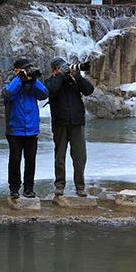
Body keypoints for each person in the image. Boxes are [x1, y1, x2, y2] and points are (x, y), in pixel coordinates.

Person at [45, 57, 95, 197]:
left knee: (79, 157)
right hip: (60, 123)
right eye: (61, 68)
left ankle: (80, 186)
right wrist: (60, 76)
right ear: (54, 69)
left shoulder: (74, 80)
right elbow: (50, 91)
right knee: (59, 156)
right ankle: (59, 185)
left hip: (77, 122)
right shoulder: (51, 81)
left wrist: (77, 76)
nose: (65, 70)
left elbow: (89, 90)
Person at [2, 58, 48, 199]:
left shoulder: (32, 84)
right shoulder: (10, 82)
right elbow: (8, 94)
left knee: (30, 160)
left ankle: (29, 188)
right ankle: (14, 188)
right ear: (16, 70)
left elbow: (44, 94)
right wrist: (19, 79)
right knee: (15, 160)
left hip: (32, 129)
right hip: (15, 128)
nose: (27, 71)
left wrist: (33, 80)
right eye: (24, 69)